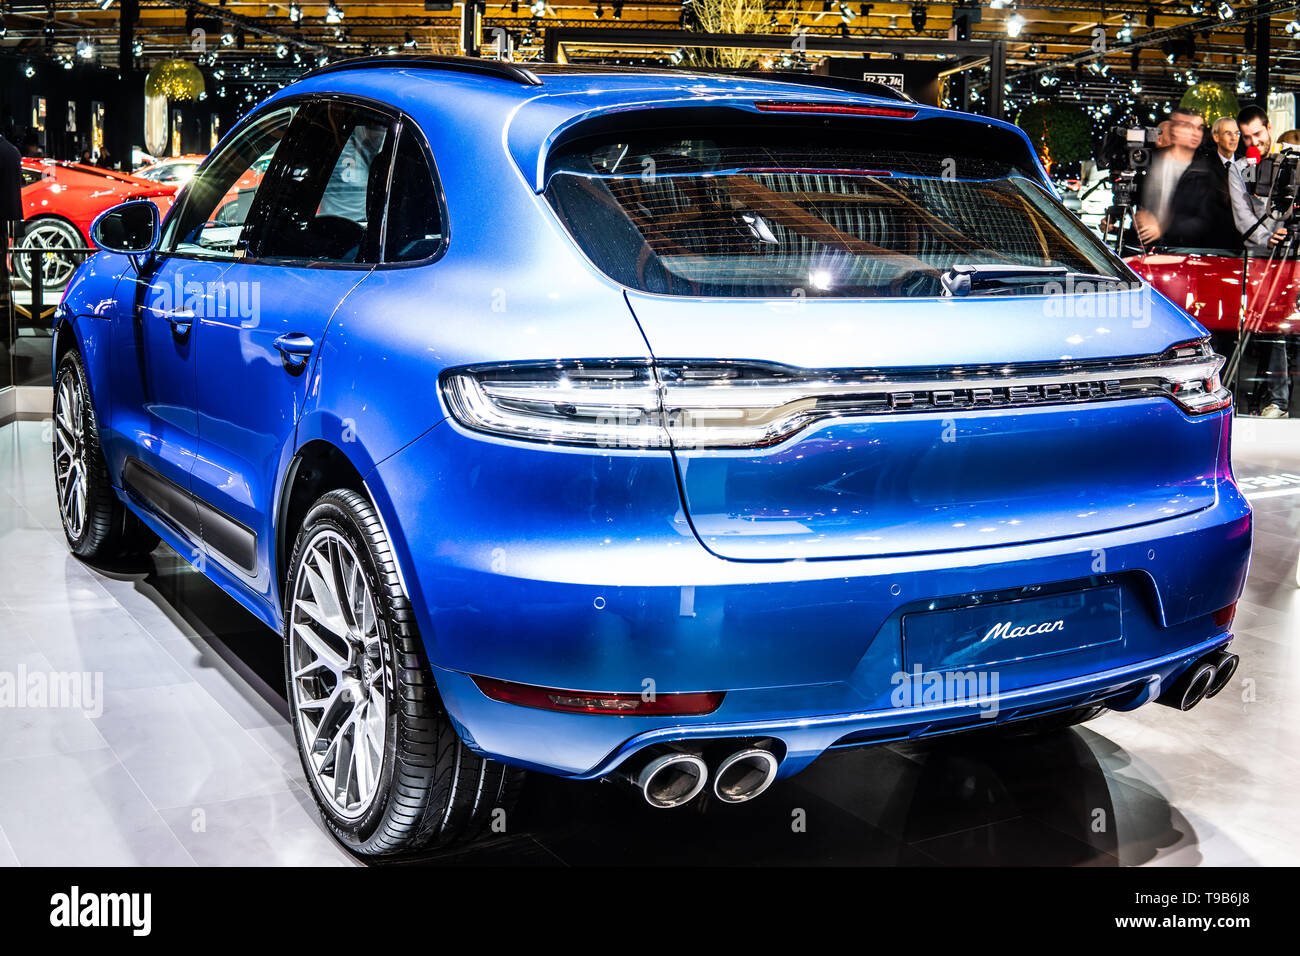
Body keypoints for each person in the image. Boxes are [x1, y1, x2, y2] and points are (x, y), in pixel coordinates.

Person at [1229, 106, 1295, 418]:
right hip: (1256, 258)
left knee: (1279, 330)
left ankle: (1279, 401)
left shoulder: (1291, 160)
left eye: (1258, 133)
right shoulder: (1239, 167)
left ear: (1268, 127)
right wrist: (1267, 236)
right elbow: (1242, 214)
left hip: (1291, 258)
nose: (1255, 140)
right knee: (1260, 330)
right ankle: (1261, 398)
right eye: (1248, 136)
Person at [1134, 108, 1237, 249]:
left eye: (1199, 128)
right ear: (1174, 129)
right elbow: (1141, 206)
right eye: (1188, 126)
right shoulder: (1151, 162)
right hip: (1147, 251)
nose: (1195, 133)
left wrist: (1163, 228)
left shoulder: (1209, 170)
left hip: (1186, 252)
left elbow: (1209, 220)